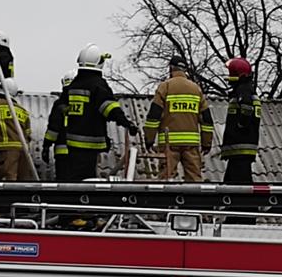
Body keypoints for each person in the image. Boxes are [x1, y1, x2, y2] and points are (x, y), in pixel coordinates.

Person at [46, 44, 138, 182]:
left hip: (71, 144)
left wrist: (47, 144)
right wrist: (126, 123)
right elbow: (109, 108)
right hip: (90, 144)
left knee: (71, 179)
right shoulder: (98, 85)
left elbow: (61, 108)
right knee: (86, 180)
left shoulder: (73, 85)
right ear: (99, 62)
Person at [143, 58, 213, 182]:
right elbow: (206, 119)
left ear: (171, 68)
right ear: (185, 69)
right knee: (194, 179)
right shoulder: (196, 89)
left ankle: (166, 201)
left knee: (166, 179)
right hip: (191, 144)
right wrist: (206, 143)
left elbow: (154, 116)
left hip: (169, 144)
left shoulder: (165, 87)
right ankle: (194, 201)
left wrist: (149, 139)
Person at [218, 56, 263, 185]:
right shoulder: (245, 89)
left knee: (239, 185)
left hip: (240, 147)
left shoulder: (243, 90)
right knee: (232, 183)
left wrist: (241, 124)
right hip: (240, 149)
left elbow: (246, 108)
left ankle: (244, 205)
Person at [42, 74, 74, 180]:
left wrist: (46, 146)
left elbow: (53, 128)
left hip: (63, 152)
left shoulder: (60, 104)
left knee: (64, 184)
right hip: (82, 154)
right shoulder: (87, 103)